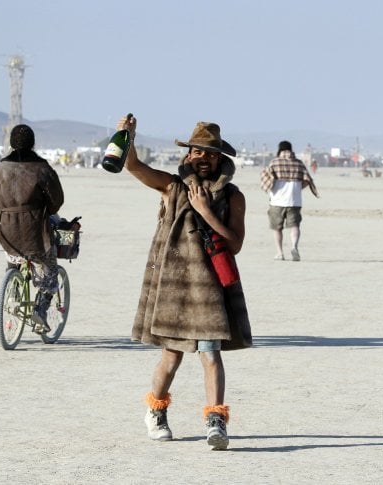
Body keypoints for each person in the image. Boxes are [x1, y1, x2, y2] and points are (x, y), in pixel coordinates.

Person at [120, 116, 252, 451]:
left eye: (210, 153)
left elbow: (235, 244)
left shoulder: (233, 197)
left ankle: (215, 421)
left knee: (211, 356)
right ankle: (156, 410)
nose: (203, 158)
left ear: (220, 158)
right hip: (175, 288)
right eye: (197, 152)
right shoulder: (172, 186)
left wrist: (206, 212)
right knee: (171, 357)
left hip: (209, 290)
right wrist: (127, 136)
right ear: (188, 156)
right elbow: (133, 166)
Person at [0, 124, 75, 334]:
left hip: (7, 228)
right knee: (50, 271)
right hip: (34, 230)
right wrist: (46, 210)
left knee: (13, 255)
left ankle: (12, 290)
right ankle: (41, 309)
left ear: (11, 143)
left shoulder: (1, 168)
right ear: (33, 143)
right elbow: (57, 200)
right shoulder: (42, 168)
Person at [259, 141, 318, 261]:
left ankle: (280, 253)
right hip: (295, 201)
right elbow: (308, 179)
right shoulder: (299, 163)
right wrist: (297, 187)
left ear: (279, 150)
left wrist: (270, 186)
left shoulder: (274, 163)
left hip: (276, 201)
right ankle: (294, 246)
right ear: (291, 150)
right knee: (294, 225)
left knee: (277, 228)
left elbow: (265, 176)